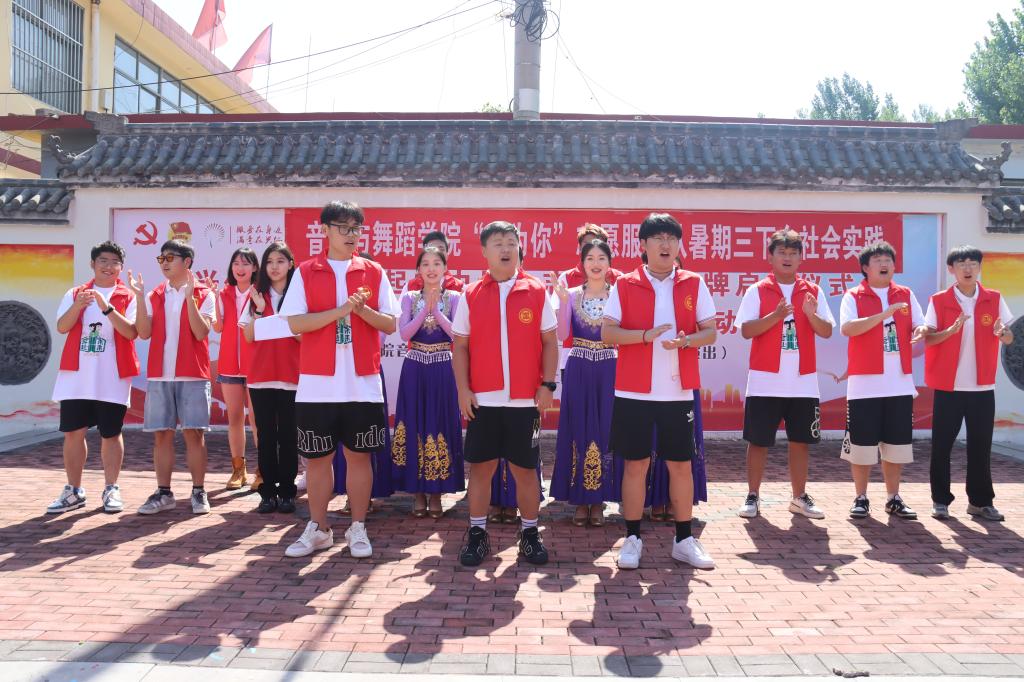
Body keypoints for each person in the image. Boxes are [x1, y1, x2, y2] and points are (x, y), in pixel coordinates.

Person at [256, 201, 398, 559]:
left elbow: (390, 323)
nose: (351, 235)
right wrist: (340, 311)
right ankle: (319, 528)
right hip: (317, 383)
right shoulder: (307, 271)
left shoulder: (373, 271)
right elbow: (295, 322)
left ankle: (358, 527)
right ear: (326, 230)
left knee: (359, 458)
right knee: (318, 460)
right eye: (343, 228)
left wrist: (361, 310)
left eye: (356, 229)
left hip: (362, 382)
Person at [602, 212, 717, 570]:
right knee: (635, 464)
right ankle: (632, 538)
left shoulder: (693, 283)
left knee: (680, 465)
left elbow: (710, 331)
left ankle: (684, 539)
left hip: (677, 392)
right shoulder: (625, 284)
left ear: (679, 245)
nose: (666, 244)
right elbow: (608, 333)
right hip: (634, 392)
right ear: (643, 245)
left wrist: (687, 341)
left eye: (672, 238)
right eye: (658, 238)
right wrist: (644, 336)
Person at [452, 220, 558, 567]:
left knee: (525, 470)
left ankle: (529, 534)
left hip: (525, 401)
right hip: (483, 400)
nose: (506, 249)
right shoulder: (471, 294)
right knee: (481, 469)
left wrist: (548, 384)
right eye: (498, 243)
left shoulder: (536, 290)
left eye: (511, 242)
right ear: (484, 251)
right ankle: (477, 534)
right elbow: (460, 347)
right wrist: (463, 389)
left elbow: (549, 342)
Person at [734, 229, 836, 519]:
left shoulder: (812, 291)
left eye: (793, 253)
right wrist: (776, 316)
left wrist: (811, 315)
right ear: (770, 257)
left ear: (801, 258)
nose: (787, 258)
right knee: (758, 441)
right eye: (782, 252)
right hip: (765, 380)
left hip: (803, 382)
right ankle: (753, 496)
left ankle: (799, 497)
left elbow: (827, 331)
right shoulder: (758, 290)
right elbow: (746, 330)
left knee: (800, 441)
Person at [839, 241, 929, 520]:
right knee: (862, 447)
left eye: (888, 259)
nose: (884, 264)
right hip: (864, 385)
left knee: (896, 446)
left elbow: (920, 323)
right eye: (878, 259)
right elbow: (848, 328)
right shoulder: (853, 296)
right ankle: (861, 497)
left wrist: (920, 330)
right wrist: (883, 315)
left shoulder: (905, 294)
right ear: (865, 268)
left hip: (899, 383)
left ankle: (893, 498)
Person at [48, 241, 139, 514]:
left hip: (112, 376)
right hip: (76, 376)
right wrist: (78, 306)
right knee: (73, 432)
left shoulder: (128, 296)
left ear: (121, 267)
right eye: (103, 261)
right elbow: (62, 326)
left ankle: (111, 488)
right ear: (93, 264)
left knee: (111, 433)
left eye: (114, 262)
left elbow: (131, 332)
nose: (108, 266)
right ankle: (73, 490)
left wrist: (107, 308)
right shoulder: (75, 293)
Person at [924, 245, 1015, 521]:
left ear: (979, 268)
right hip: (949, 387)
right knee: (942, 446)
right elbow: (929, 338)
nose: (968, 268)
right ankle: (940, 500)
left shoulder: (993, 298)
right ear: (951, 269)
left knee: (980, 446)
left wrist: (1003, 333)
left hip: (982, 387)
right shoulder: (939, 300)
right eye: (961, 263)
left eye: (973, 263)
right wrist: (950, 331)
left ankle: (980, 501)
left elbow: (1008, 337)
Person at [131, 239, 216, 515]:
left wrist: (190, 298)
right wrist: (138, 297)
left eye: (170, 257)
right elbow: (144, 332)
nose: (164, 263)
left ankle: (198, 491)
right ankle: (164, 492)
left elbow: (201, 332)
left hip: (193, 374)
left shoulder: (204, 293)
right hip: (160, 376)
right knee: (162, 435)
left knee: (194, 434)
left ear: (186, 261)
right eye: (161, 258)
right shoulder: (154, 294)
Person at [549, 239, 619, 527]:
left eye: (601, 258)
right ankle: (580, 499)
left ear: (609, 264)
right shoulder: (573, 294)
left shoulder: (618, 295)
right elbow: (562, 334)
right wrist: (563, 302)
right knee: (577, 426)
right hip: (578, 365)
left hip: (609, 367)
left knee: (606, 429)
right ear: (583, 263)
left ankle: (599, 499)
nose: (596, 263)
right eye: (590, 258)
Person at [392, 247, 466, 517]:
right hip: (415, 367)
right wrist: (425, 310)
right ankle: (418, 493)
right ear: (418, 270)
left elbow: (456, 334)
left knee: (439, 423)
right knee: (414, 424)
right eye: (426, 264)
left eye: (437, 263)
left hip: (443, 367)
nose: (431, 268)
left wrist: (437, 310)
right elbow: (404, 333)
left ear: (445, 269)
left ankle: (436, 493)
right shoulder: (409, 297)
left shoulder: (455, 297)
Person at [241, 242, 300, 514]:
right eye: (269, 261)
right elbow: (248, 336)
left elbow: (304, 336)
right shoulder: (256, 295)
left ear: (290, 264)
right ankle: (267, 493)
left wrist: (282, 320)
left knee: (289, 437)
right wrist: (261, 311)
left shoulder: (299, 296)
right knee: (265, 437)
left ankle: (287, 492)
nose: (274, 267)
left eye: (280, 261)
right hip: (261, 376)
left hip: (292, 375)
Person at [209, 247, 260, 491]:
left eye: (246, 263)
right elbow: (218, 328)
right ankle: (238, 469)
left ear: (255, 268)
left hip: (256, 366)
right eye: (236, 263)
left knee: (258, 422)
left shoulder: (260, 293)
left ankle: (263, 470)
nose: (240, 268)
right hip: (229, 366)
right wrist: (211, 298)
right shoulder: (223, 293)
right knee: (235, 419)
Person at [402, 230, 466, 294]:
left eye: (441, 249)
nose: (436, 253)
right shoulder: (409, 287)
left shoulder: (460, 287)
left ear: (447, 254)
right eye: (432, 248)